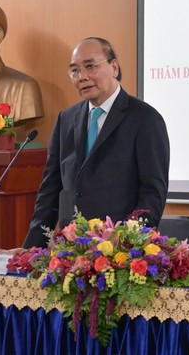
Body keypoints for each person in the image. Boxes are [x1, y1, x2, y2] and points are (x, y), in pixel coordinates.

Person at [22, 37, 170, 248]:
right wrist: (30, 250)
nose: (81, 77)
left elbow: (152, 193)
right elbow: (50, 192)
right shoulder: (66, 120)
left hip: (118, 254)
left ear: (114, 67)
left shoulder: (145, 119)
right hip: (70, 250)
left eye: (90, 66)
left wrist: (129, 245)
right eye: (74, 70)